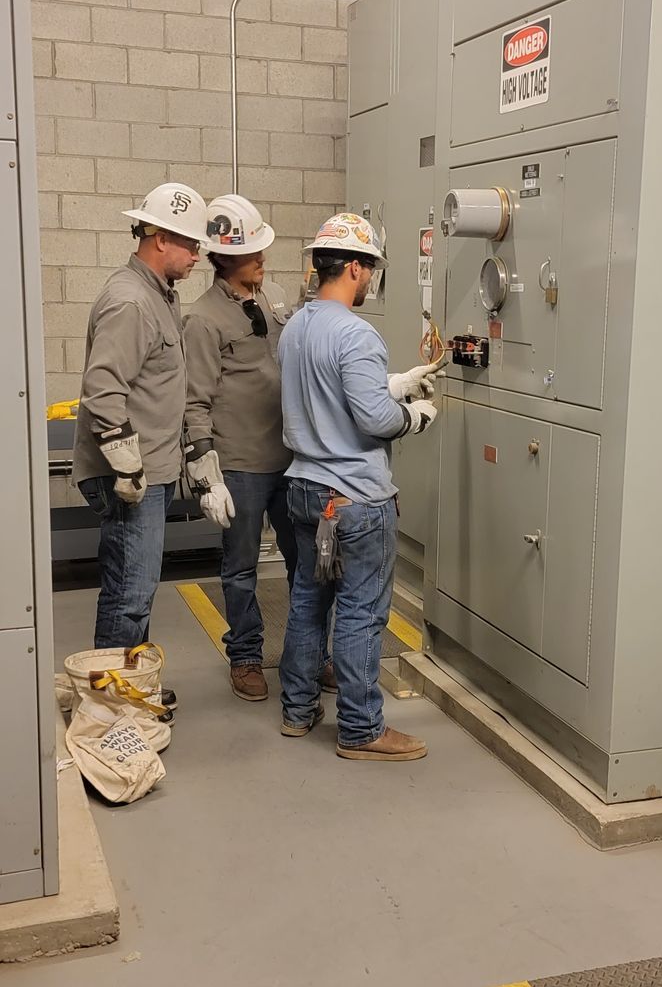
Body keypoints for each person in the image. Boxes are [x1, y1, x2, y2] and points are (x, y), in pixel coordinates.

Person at [278, 212, 439, 761]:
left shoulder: (296, 327)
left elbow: (327, 394)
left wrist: (394, 382)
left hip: (304, 488)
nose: (370, 281)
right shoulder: (355, 332)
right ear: (352, 266)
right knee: (360, 613)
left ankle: (297, 712)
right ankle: (362, 729)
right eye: (369, 270)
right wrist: (413, 414)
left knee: (307, 602)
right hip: (353, 500)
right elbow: (373, 419)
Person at [73, 184, 209, 651]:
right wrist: (128, 467)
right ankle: (113, 705)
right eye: (191, 243)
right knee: (129, 593)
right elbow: (103, 390)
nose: (198, 254)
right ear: (159, 238)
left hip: (150, 470)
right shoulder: (131, 301)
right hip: (131, 479)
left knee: (137, 588)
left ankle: (131, 684)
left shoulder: (160, 296)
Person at [183, 192, 301, 703]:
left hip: (292, 457)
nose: (262, 259)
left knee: (307, 561)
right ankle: (247, 655)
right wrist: (207, 473)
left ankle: (309, 655)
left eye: (261, 250)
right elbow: (194, 401)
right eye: (252, 253)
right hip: (241, 465)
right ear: (223, 257)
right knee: (241, 568)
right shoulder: (203, 318)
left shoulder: (273, 295)